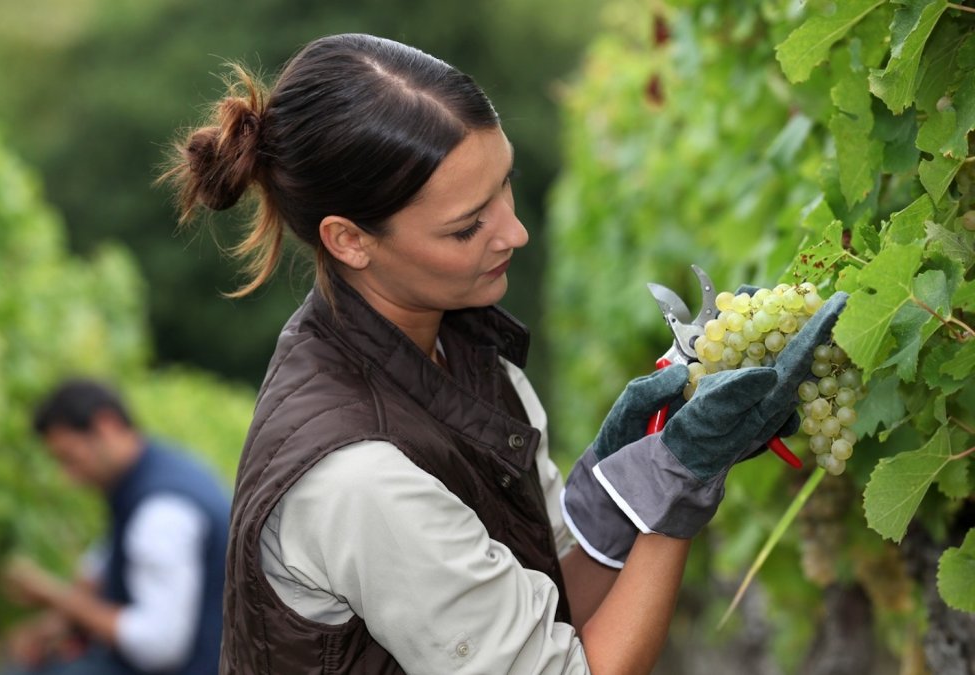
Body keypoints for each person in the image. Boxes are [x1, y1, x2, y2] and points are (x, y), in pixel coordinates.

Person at [159, 33, 845, 674]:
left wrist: (623, 490)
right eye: (467, 226)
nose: (514, 231)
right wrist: (683, 484)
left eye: (504, 185)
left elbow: (537, 616)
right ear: (349, 241)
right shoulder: (357, 480)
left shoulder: (464, 351)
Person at [0, 378, 230, 675]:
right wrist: (52, 627)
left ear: (105, 426)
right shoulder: (151, 479)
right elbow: (98, 570)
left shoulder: (161, 513)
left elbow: (160, 647)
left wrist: (53, 595)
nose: (68, 478)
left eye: (70, 459)